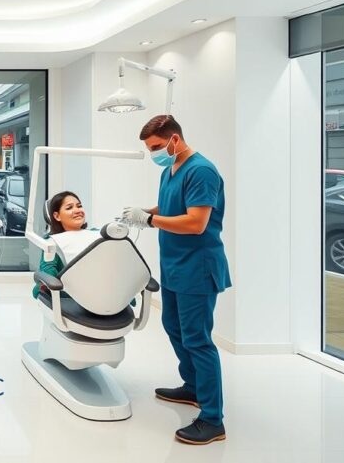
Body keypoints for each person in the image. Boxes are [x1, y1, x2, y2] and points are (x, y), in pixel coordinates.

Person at [122, 114, 231, 446]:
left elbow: (196, 222)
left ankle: (212, 419)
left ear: (174, 140)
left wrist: (151, 220)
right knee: (174, 327)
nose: (154, 153)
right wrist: (144, 211)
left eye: (156, 147)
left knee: (198, 339)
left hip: (197, 268)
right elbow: (172, 205)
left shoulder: (201, 171)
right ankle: (193, 387)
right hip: (174, 267)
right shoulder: (170, 169)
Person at [32, 191, 89, 298]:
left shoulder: (96, 234)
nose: (77, 210)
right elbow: (49, 271)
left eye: (79, 206)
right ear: (57, 216)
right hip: (70, 295)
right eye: (69, 208)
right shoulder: (53, 242)